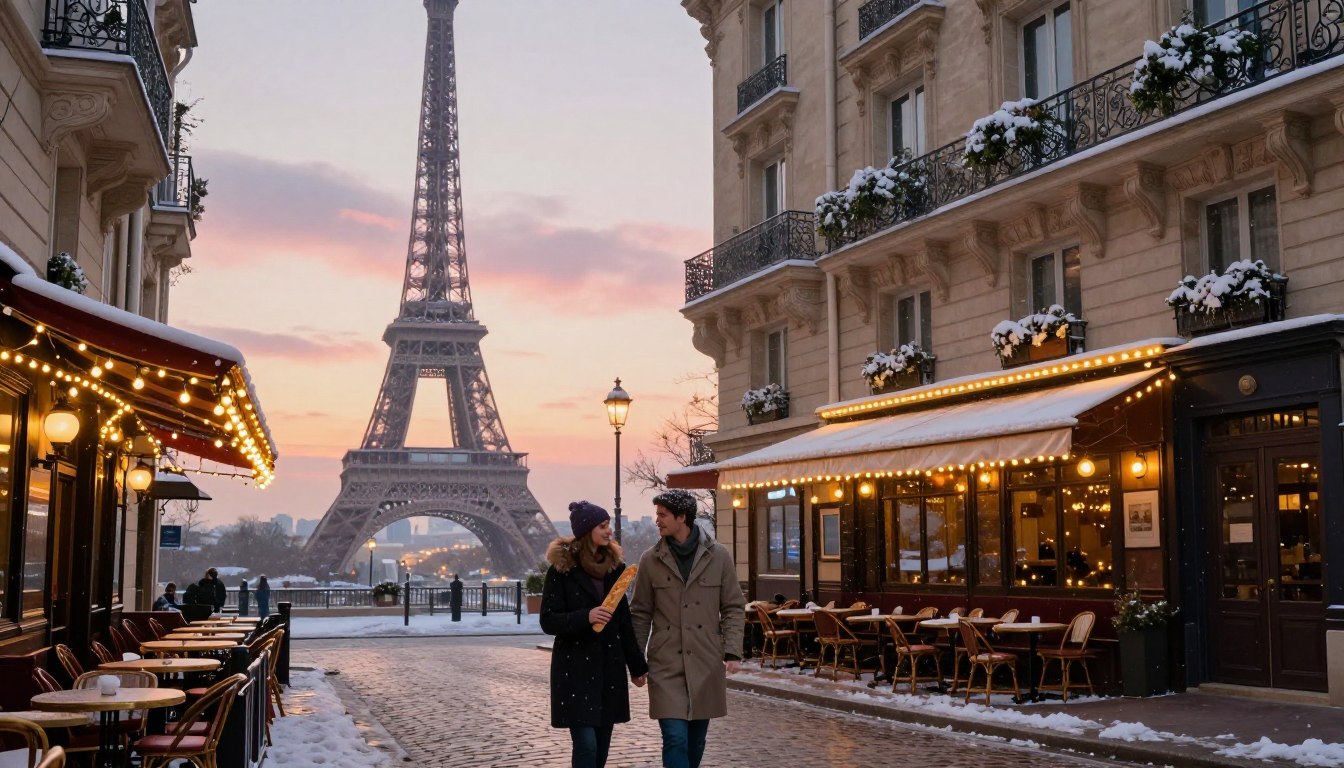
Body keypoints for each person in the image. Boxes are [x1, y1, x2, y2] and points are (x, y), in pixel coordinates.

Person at [631, 489, 745, 768]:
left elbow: (733, 606)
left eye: (663, 515)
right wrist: (636, 661)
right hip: (665, 661)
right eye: (657, 514)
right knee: (675, 737)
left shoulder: (719, 556)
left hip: (705, 661)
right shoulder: (650, 559)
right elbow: (640, 612)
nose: (657, 520)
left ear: (682, 517)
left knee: (695, 741)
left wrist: (732, 651)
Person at [541, 501, 648, 768]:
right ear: (588, 529)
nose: (609, 530)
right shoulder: (560, 571)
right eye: (603, 526)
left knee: (600, 748)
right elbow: (548, 620)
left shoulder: (615, 570)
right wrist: (585, 617)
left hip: (608, 669)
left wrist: (637, 667)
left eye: (609, 524)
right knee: (586, 746)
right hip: (574, 670)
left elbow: (624, 622)